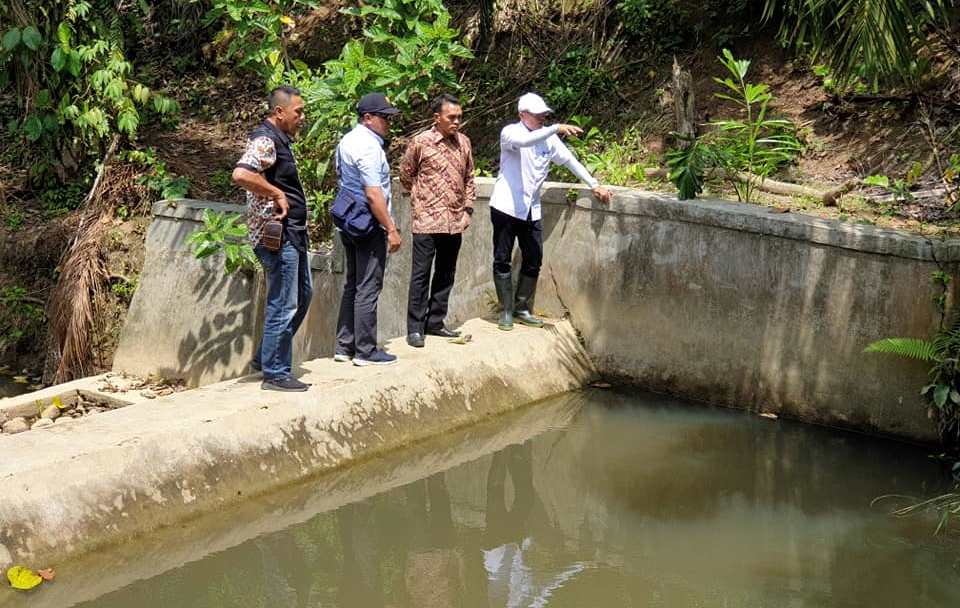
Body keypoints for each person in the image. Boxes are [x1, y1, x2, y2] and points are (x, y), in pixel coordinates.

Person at [489, 92, 613, 331]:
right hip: (506, 206)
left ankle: (522, 307)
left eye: (544, 116)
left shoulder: (549, 139)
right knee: (502, 258)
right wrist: (556, 127)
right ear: (522, 115)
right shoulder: (511, 133)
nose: (542, 119)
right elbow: (525, 142)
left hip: (531, 209)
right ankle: (505, 310)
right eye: (537, 116)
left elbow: (569, 161)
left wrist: (594, 184)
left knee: (534, 257)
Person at [233, 85, 312, 392]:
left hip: (293, 233)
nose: (301, 117)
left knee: (303, 296)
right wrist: (276, 192)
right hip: (278, 238)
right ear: (280, 112)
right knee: (284, 303)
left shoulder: (277, 139)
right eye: (298, 112)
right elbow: (241, 174)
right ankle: (275, 372)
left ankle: (267, 358)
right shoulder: (266, 139)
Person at [398, 93, 476, 348]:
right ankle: (415, 328)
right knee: (420, 274)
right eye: (451, 117)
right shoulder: (421, 142)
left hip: (454, 221)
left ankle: (436, 322)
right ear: (437, 118)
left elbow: (470, 178)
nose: (456, 122)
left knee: (446, 273)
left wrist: (467, 211)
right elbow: (406, 174)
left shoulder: (464, 142)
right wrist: (422, 201)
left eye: (459, 117)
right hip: (426, 221)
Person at [333, 92, 403, 366]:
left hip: (349, 220)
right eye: (384, 117)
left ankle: (344, 346)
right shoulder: (369, 147)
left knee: (353, 283)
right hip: (368, 223)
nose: (389, 122)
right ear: (368, 118)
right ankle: (365, 351)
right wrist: (392, 229)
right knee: (368, 285)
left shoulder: (347, 140)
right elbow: (374, 194)